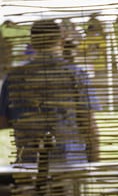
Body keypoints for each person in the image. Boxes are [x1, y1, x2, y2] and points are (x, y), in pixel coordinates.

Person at [0, 19, 100, 165]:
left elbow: (3, 121)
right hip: (71, 161)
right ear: (61, 40)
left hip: (30, 161)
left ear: (32, 42)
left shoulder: (14, 77)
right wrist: (94, 161)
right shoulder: (76, 75)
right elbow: (89, 125)